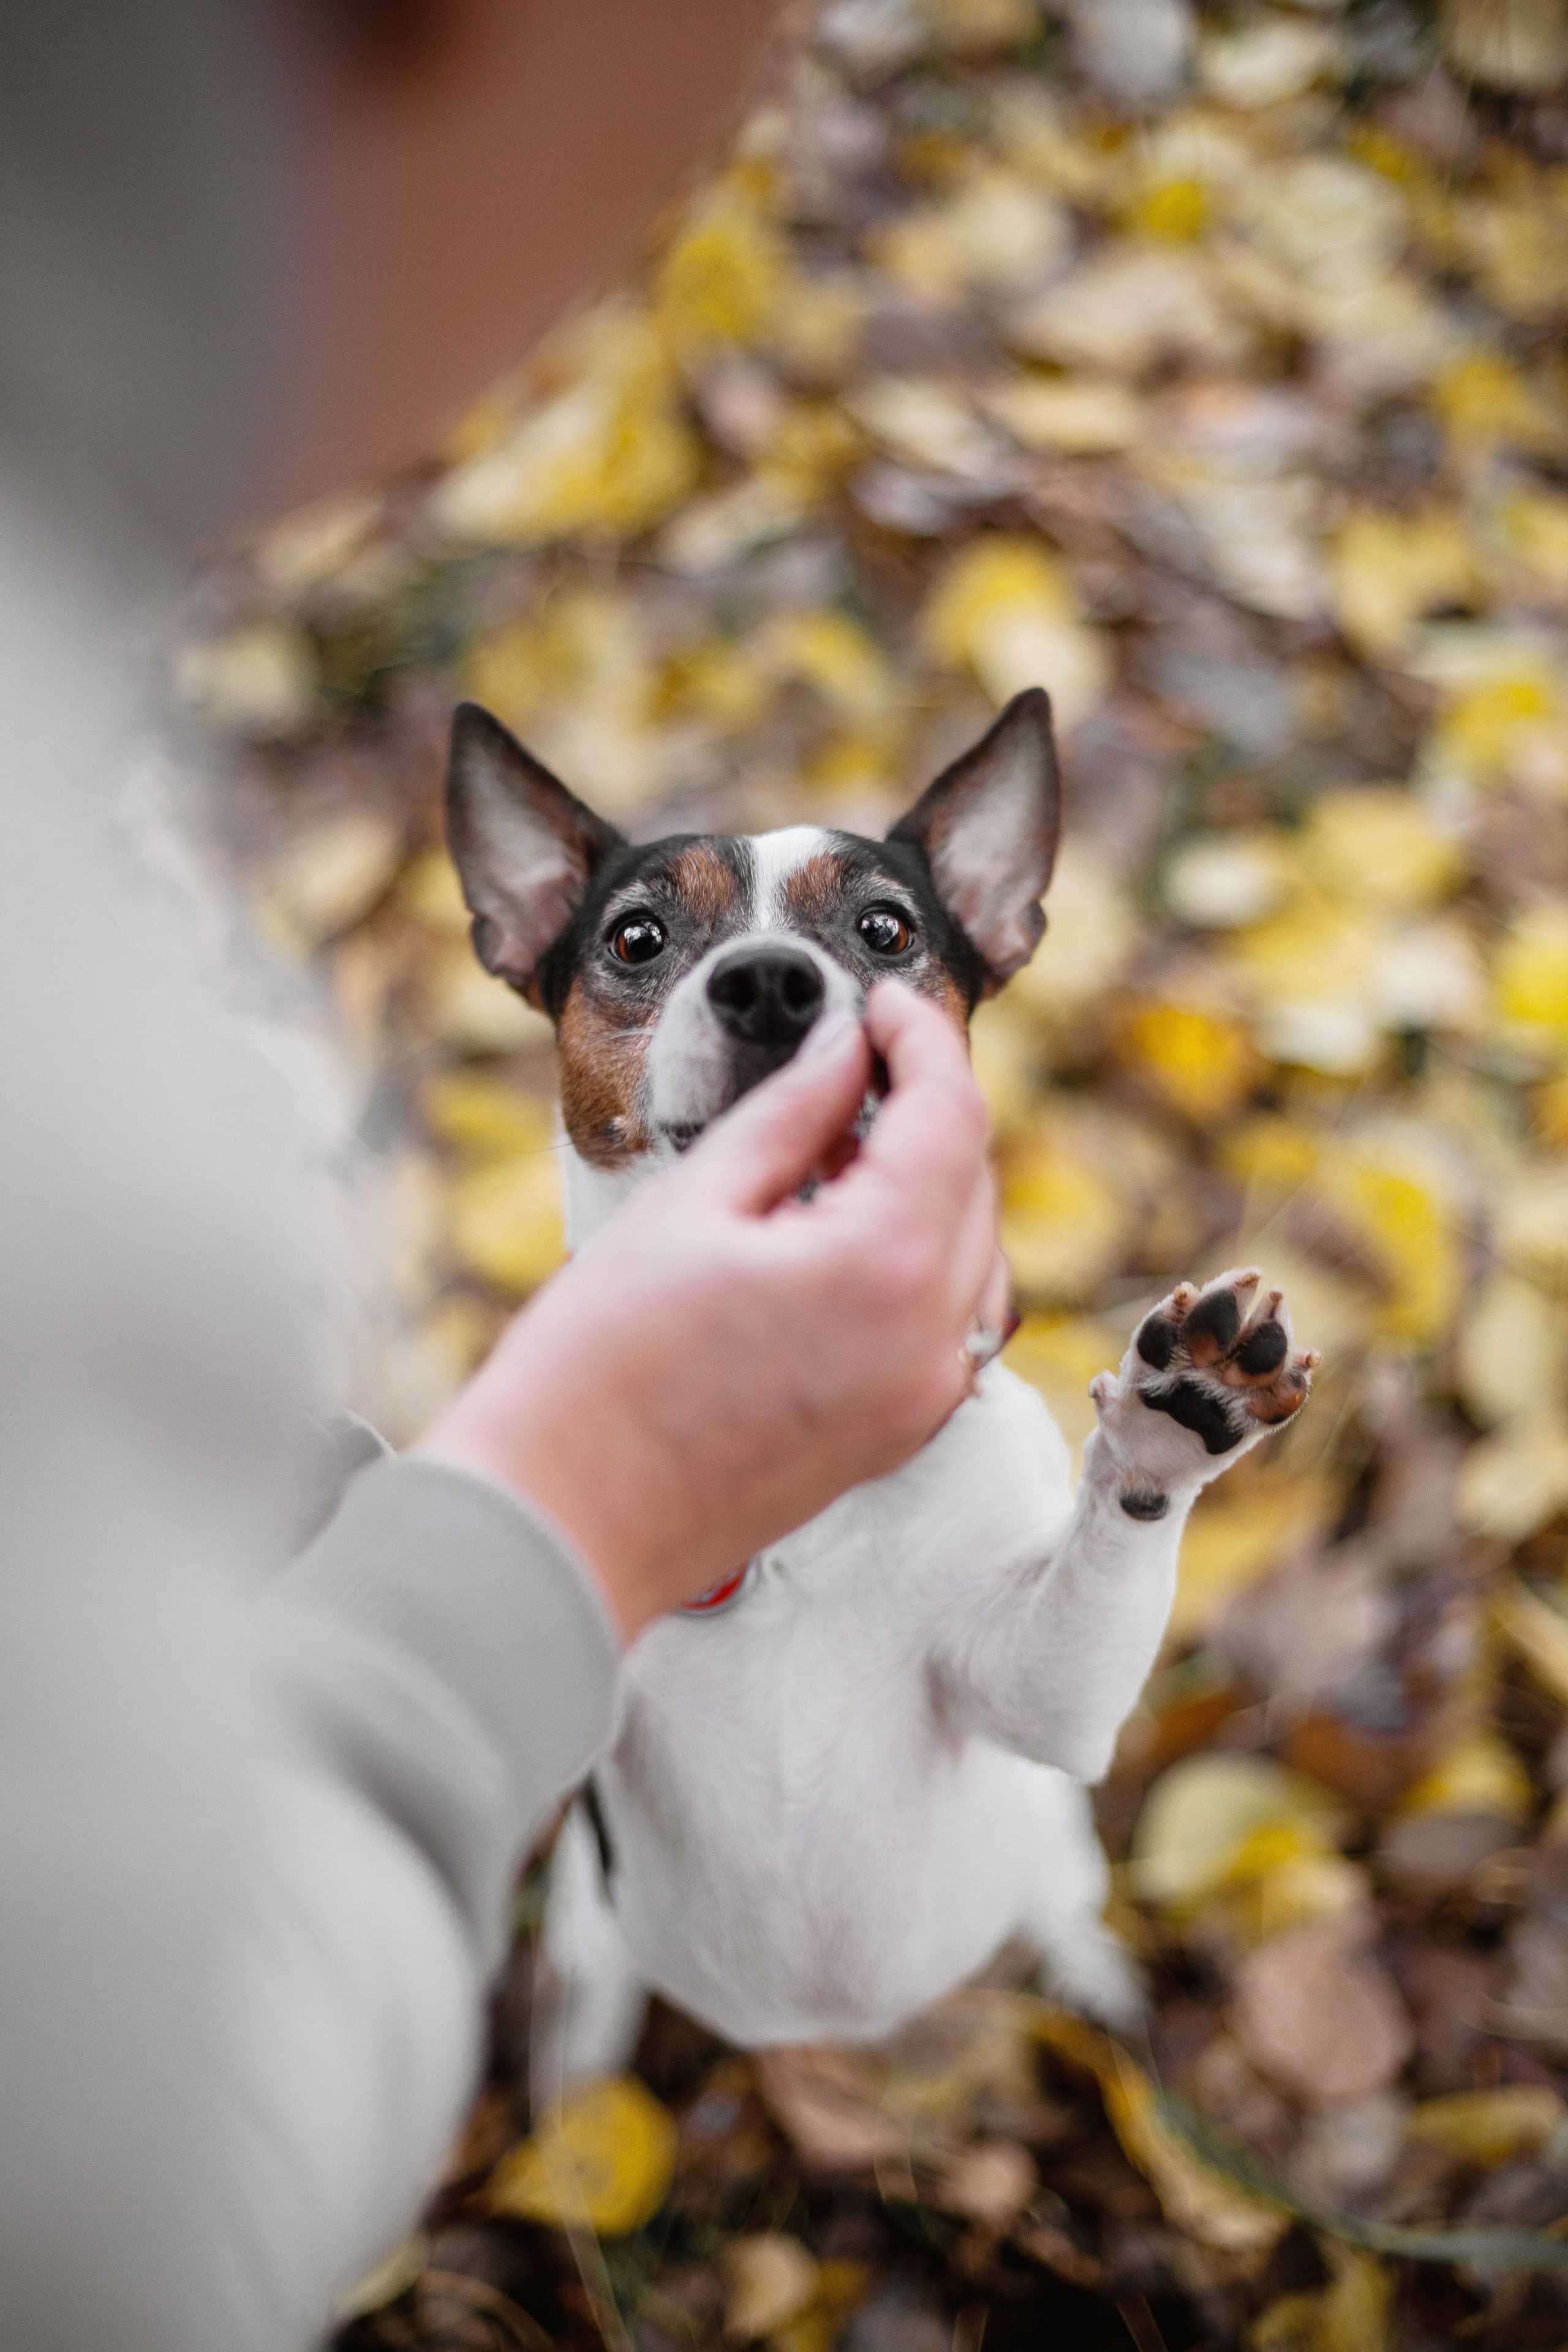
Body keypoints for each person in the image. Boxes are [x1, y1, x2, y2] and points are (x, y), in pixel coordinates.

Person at [0, 6, 1005, 2347]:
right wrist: (572, 1509)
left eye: (864, 944)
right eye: (646, 945)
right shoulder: (79, 1098)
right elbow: (114, 2220)